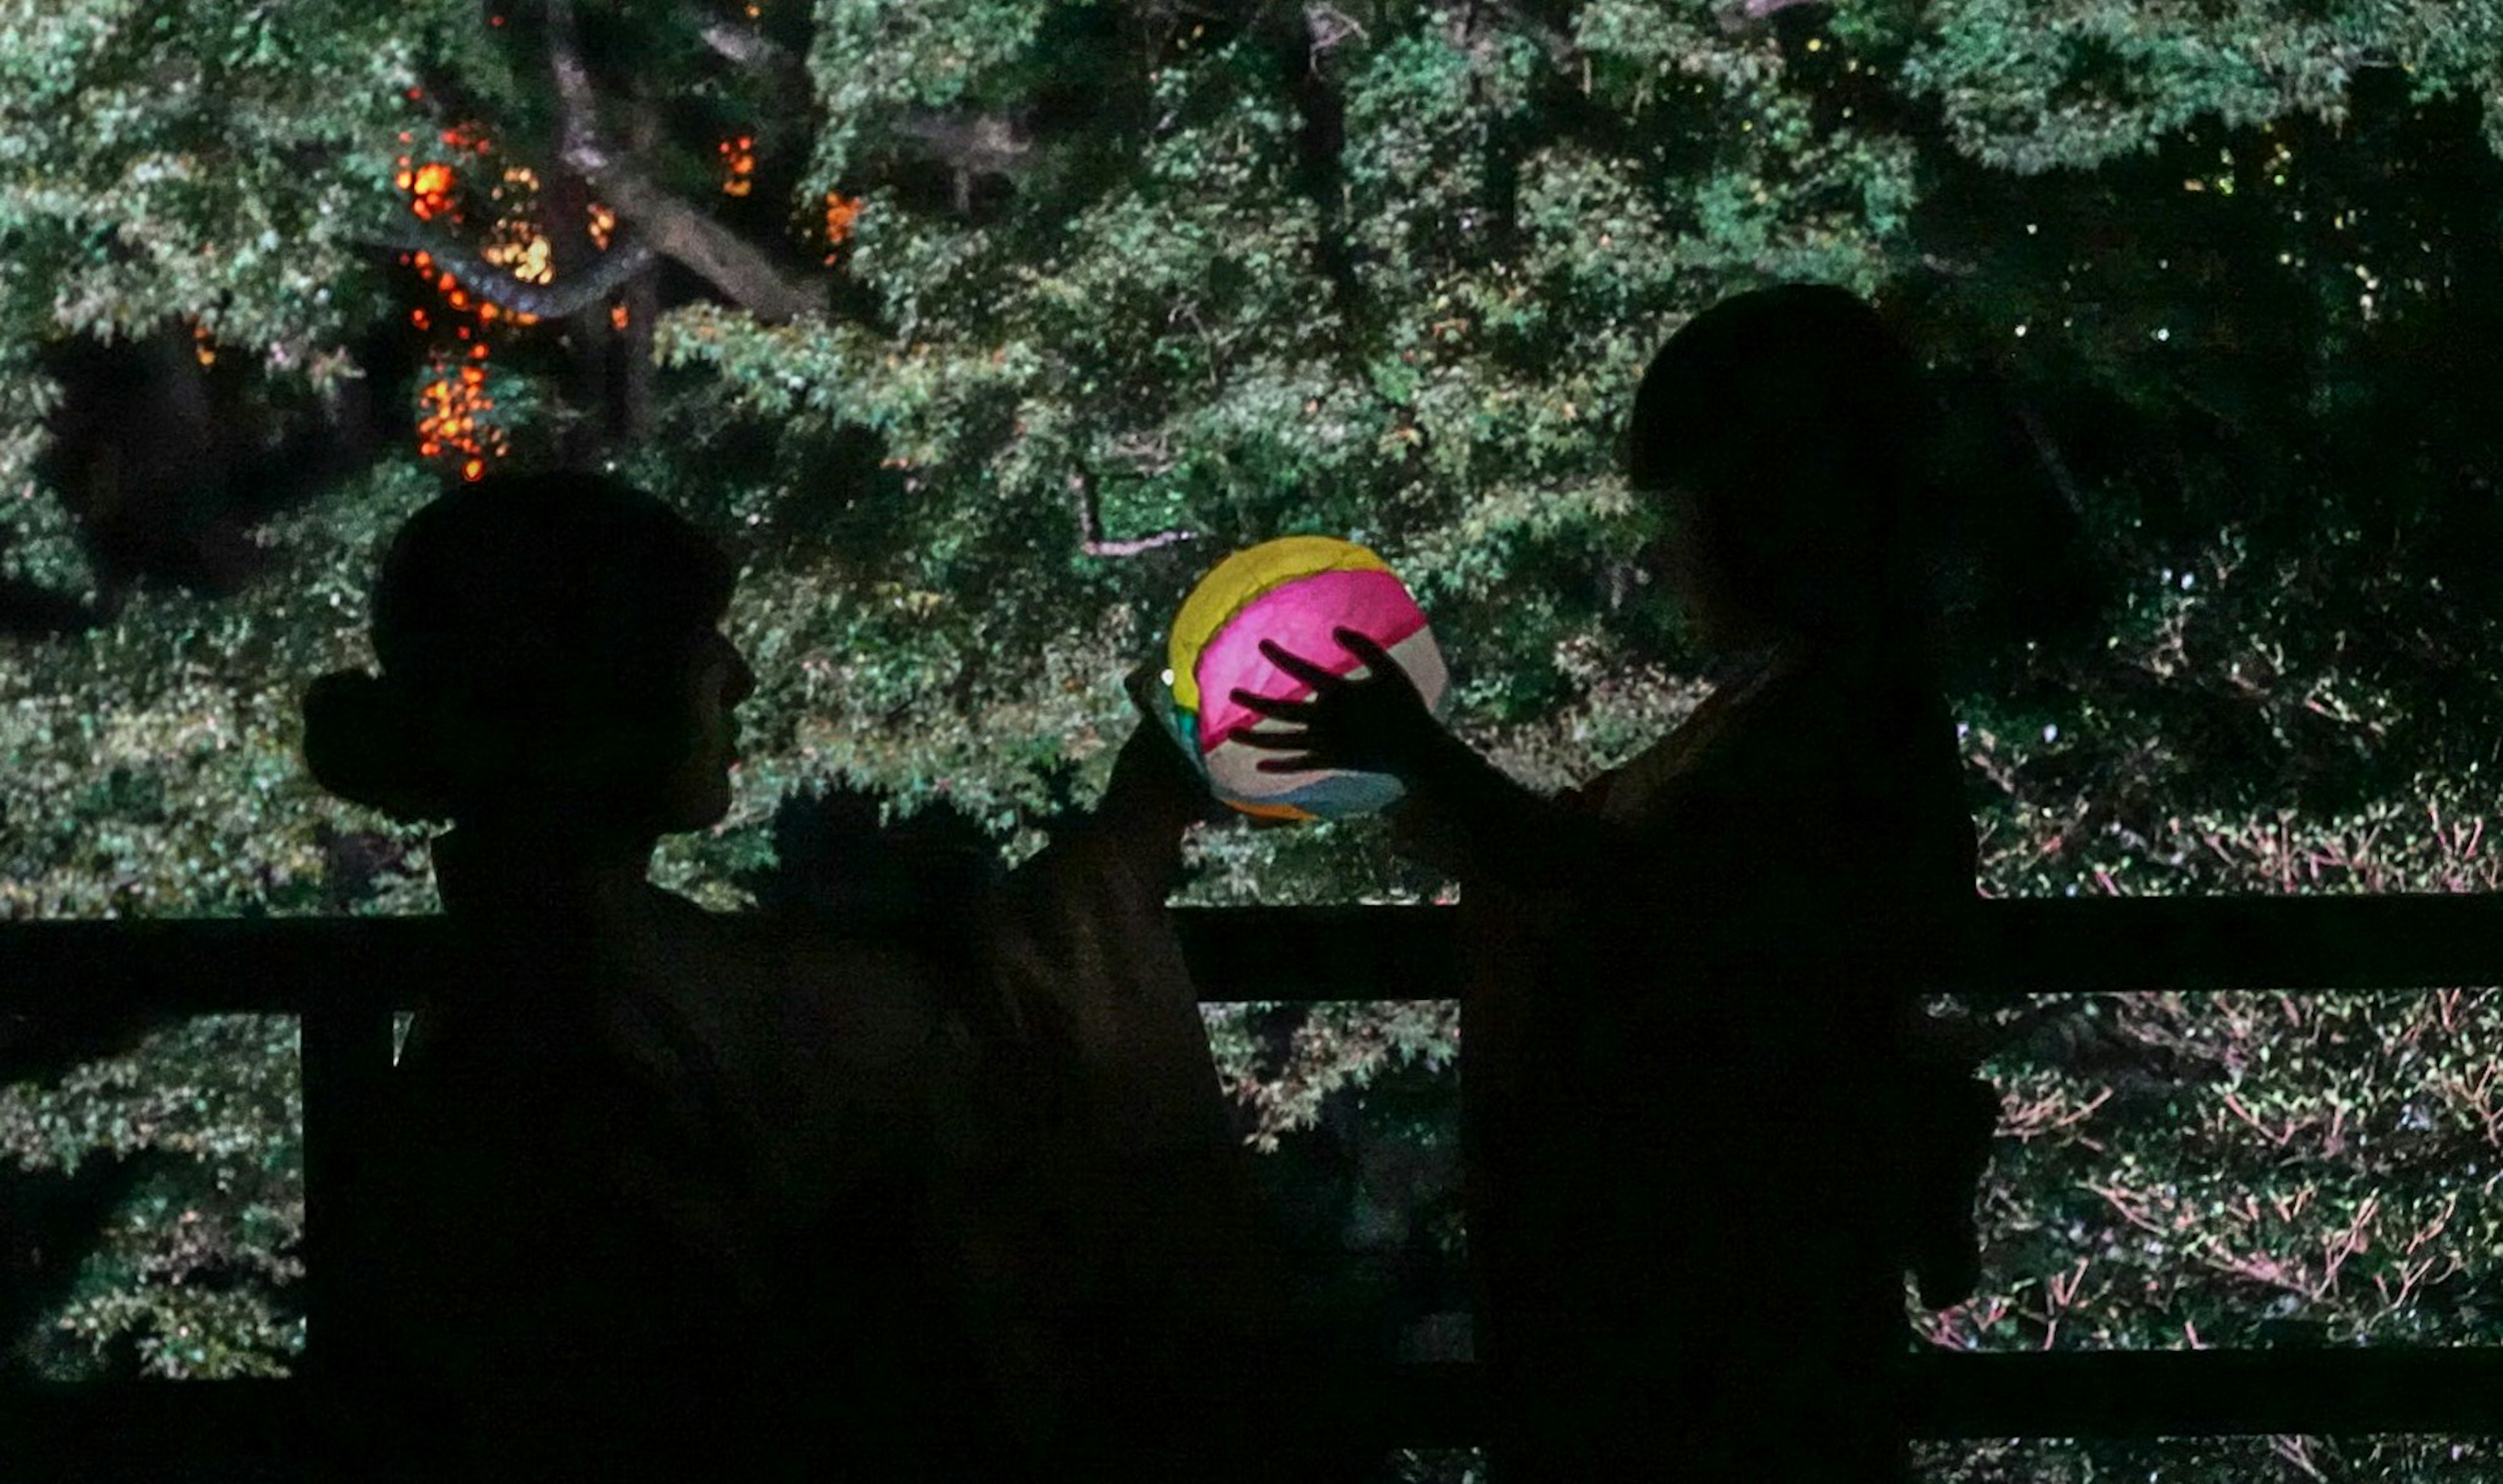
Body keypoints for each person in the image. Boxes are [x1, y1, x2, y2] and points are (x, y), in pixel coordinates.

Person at [300, 469, 1373, 1481]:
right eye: (693, 640)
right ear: (591, 688)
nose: (740, 675)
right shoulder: (562, 1033)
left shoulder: (563, 975)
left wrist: (1132, 833)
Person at [1231, 285, 2003, 1482]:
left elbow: (1654, 901)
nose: (1674, 544)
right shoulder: (1809, 703)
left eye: (1691, 503)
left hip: (1711, 1283)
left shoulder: (1843, 721)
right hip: (1701, 1275)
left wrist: (1426, 761)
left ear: (1773, 501)